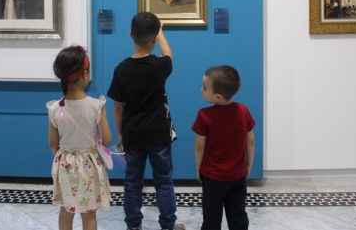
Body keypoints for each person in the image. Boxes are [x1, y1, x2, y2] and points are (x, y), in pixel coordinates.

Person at [107, 12, 185, 230]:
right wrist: (161, 34)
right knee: (164, 181)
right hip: (159, 133)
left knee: (132, 182)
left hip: (133, 134)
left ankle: (133, 224)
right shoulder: (160, 66)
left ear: (130, 34)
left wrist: (121, 133)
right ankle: (168, 224)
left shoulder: (121, 69)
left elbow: (118, 106)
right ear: (154, 40)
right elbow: (168, 54)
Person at [47, 45, 113, 230]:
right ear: (85, 74)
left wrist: (64, 156)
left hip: (65, 163)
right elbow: (107, 139)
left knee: (65, 211)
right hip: (89, 164)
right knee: (89, 213)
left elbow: (52, 143)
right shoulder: (96, 105)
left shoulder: (55, 108)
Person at [192, 65, 256, 230]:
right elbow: (250, 141)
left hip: (212, 177)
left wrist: (198, 167)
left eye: (205, 87)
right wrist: (249, 164)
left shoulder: (204, 115)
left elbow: (199, 145)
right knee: (238, 214)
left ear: (218, 96)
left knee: (211, 216)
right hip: (237, 176)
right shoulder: (243, 111)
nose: (201, 90)